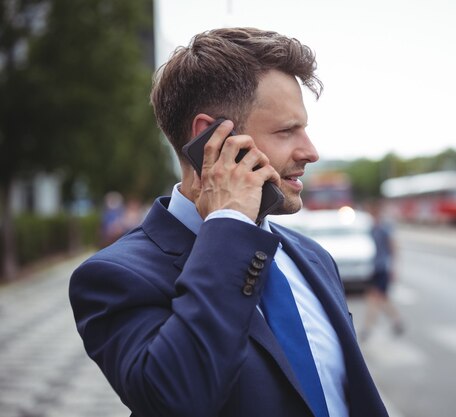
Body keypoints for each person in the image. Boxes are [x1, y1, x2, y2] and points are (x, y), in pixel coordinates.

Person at [69, 28, 388, 417]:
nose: (311, 152)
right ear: (212, 138)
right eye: (287, 131)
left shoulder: (313, 257)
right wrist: (230, 221)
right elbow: (178, 398)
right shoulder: (112, 277)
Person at [360, 201, 403, 341]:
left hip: (383, 268)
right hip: (375, 267)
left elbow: (393, 247)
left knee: (374, 299)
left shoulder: (384, 228)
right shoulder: (372, 228)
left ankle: (367, 328)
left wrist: (392, 267)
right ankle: (396, 321)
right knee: (381, 299)